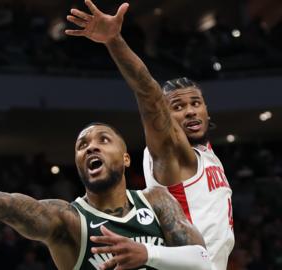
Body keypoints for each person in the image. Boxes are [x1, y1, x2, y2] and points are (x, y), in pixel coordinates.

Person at [0, 122, 211, 270]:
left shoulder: (155, 201)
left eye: (103, 140)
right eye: (82, 145)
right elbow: (3, 204)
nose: (91, 146)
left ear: (126, 159)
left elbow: (203, 262)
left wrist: (146, 255)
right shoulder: (66, 219)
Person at [65, 1, 234, 269]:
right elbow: (149, 94)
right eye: (177, 107)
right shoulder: (173, 154)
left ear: (207, 111)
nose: (189, 112)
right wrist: (115, 41)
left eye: (195, 103)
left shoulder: (206, 154)